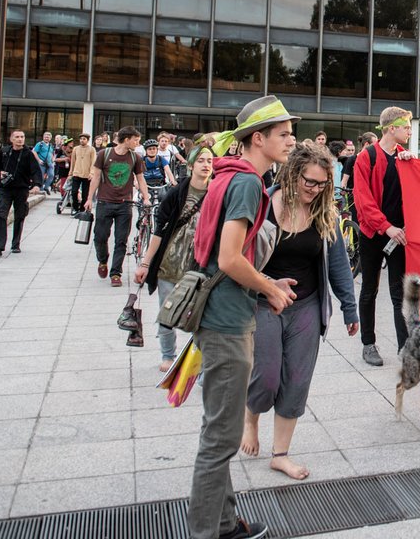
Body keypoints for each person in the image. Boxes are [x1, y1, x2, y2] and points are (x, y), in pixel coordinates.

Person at [187, 95, 298, 539]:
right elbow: (230, 258)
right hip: (227, 322)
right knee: (219, 440)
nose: (292, 140)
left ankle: (226, 523)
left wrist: (268, 281)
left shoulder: (229, 176)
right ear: (258, 138)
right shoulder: (248, 183)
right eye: (284, 134)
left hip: (219, 313)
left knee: (221, 428)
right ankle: (206, 532)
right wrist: (269, 287)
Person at [240, 143, 359, 480]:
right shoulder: (262, 203)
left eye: (322, 184)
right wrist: (268, 282)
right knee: (265, 376)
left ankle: (280, 454)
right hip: (263, 301)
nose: (315, 190)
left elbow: (338, 266)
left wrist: (350, 309)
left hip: (306, 305)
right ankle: (251, 418)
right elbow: (241, 256)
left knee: (296, 380)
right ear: (292, 174)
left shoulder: (326, 213)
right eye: (309, 182)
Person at [134, 145, 216, 372]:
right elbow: (159, 232)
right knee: (167, 312)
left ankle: (197, 360)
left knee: (200, 316)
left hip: (199, 266)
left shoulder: (218, 193)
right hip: (170, 263)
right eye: (200, 160)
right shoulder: (176, 193)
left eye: (209, 160)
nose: (206, 165)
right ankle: (168, 355)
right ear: (190, 165)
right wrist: (145, 263)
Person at [353, 107, 414, 366]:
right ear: (392, 128)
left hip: (399, 235)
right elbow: (363, 200)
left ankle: (405, 347)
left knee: (399, 293)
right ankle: (368, 344)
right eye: (407, 127)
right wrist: (385, 226)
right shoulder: (366, 157)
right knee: (369, 289)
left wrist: (414, 166)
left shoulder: (405, 157)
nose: (410, 131)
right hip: (374, 233)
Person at [84, 126, 150, 288]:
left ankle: (115, 273)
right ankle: (103, 260)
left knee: (121, 240)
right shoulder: (103, 154)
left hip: (125, 205)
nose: (137, 143)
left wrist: (146, 197)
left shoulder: (136, 158)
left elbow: (141, 179)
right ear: (126, 139)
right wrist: (89, 199)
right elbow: (96, 178)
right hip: (104, 202)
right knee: (100, 236)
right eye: (135, 140)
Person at [0, 130, 43, 256]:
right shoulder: (5, 152)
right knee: (1, 214)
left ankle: (15, 244)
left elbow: (36, 171)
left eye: (22, 137)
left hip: (22, 189)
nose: (20, 139)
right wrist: (0, 173)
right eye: (17, 137)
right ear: (12, 139)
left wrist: (36, 185)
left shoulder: (28, 154)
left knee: (20, 216)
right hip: (6, 188)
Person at [69, 134, 96, 215]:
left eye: (84, 139)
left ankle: (82, 209)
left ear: (87, 140)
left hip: (86, 175)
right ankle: (75, 208)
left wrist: (92, 173)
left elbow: (93, 162)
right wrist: (70, 173)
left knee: (85, 193)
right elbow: (73, 161)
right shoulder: (75, 149)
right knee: (74, 191)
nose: (82, 140)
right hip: (76, 173)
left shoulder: (92, 149)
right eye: (81, 139)